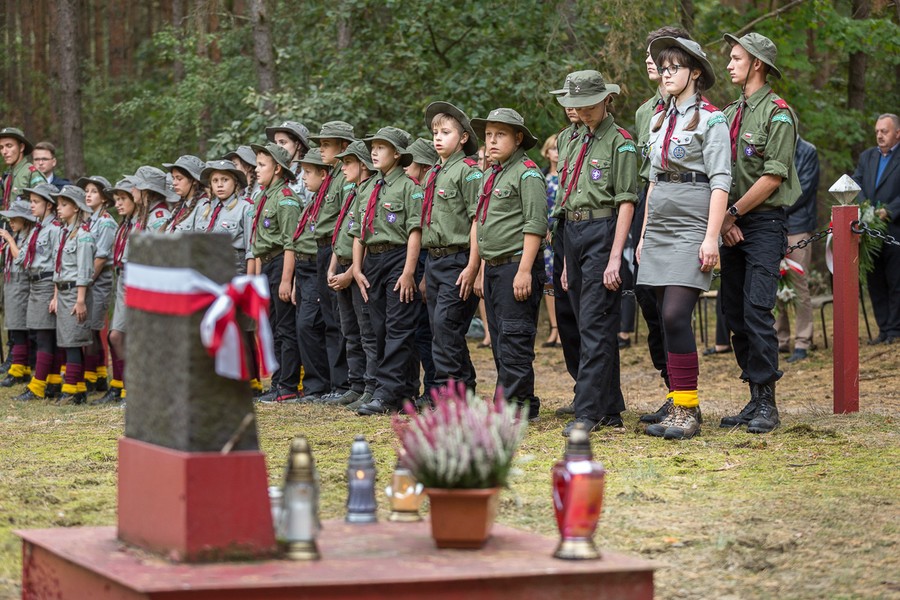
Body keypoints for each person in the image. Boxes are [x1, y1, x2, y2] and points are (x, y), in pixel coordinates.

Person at [636, 37, 731, 440]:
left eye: (676, 67)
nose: (668, 73)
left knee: (676, 314)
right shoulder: (658, 120)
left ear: (695, 72)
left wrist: (711, 237)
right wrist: (643, 235)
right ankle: (679, 403)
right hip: (659, 222)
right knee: (662, 317)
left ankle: (688, 411)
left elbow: (721, 181)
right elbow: (654, 181)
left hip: (694, 221)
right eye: (665, 66)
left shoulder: (713, 120)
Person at [719, 32, 800, 434]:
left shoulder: (778, 113)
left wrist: (731, 214)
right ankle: (753, 396)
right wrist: (723, 220)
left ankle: (768, 401)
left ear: (757, 65)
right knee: (733, 312)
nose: (730, 64)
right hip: (730, 223)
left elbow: (772, 178)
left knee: (756, 308)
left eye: (737, 58)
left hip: (764, 222)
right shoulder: (731, 113)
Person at [554, 72, 637, 436]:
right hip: (570, 231)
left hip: (603, 231)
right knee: (579, 321)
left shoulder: (621, 143)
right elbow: (564, 192)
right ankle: (610, 406)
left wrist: (616, 255)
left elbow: (626, 202)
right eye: (577, 106)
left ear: (606, 101)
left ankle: (587, 411)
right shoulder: (568, 139)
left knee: (595, 321)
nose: (582, 112)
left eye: (589, 105)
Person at [470, 108, 548, 421]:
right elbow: (481, 221)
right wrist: (478, 267)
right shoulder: (492, 174)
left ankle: (513, 404)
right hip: (494, 266)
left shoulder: (527, 173)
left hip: (517, 264)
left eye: (500, 135)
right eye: (488, 135)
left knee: (515, 336)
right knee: (501, 337)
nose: (491, 141)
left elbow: (535, 225)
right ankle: (520, 401)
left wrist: (525, 270)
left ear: (518, 138)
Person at [633, 26, 692, 425]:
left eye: (664, 54)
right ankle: (671, 390)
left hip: (687, 213)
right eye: (650, 54)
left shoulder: (698, 110)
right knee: (650, 306)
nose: (652, 60)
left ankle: (685, 399)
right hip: (649, 205)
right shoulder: (644, 112)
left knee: (674, 311)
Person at [350, 127, 423, 415]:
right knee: (378, 328)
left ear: (397, 154)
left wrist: (408, 272)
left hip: (398, 259)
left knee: (398, 327)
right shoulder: (367, 188)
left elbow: (415, 231)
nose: (375, 152)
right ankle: (403, 392)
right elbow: (358, 233)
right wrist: (356, 268)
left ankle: (388, 393)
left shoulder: (409, 187)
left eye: (382, 147)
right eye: (373, 147)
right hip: (372, 263)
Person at [420, 102, 483, 399]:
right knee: (441, 329)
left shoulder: (468, 172)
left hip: (458, 259)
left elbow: (477, 220)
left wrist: (473, 266)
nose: (438, 137)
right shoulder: (434, 172)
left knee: (447, 327)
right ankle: (461, 391)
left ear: (463, 138)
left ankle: (453, 396)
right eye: (435, 132)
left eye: (446, 132)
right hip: (434, 261)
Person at [250, 142, 303, 403]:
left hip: (282, 264)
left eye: (262, 165)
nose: (256, 170)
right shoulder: (263, 197)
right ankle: (277, 381)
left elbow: (290, 243)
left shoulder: (286, 200)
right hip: (265, 265)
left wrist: (285, 280)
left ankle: (288, 384)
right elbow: (259, 243)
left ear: (278, 169)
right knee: (270, 327)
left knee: (284, 326)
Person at [307, 121, 356, 399]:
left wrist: (335, 261)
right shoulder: (332, 177)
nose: (321, 148)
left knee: (340, 320)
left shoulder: (344, 180)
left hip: (336, 249)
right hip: (324, 247)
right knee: (330, 318)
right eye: (321, 143)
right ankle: (338, 384)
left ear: (344, 147)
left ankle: (346, 383)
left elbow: (344, 221)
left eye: (327, 144)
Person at [328, 140, 378, 410]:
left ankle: (371, 385)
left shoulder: (372, 190)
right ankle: (356, 384)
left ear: (362, 164)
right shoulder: (353, 191)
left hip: (360, 270)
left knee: (366, 330)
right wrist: (333, 266)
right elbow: (343, 232)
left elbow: (369, 237)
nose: (343, 167)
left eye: (348, 162)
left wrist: (350, 272)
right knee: (350, 330)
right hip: (344, 266)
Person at [289, 148, 333, 402]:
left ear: (323, 173)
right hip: (303, 268)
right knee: (303, 326)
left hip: (317, 266)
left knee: (310, 325)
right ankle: (315, 385)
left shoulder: (327, 201)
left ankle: (320, 385)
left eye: (308, 172)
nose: (303, 178)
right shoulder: (312, 200)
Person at [852, 113, 900, 344]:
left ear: (897, 133)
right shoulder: (867, 157)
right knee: (875, 281)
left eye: (885, 131)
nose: (879, 135)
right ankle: (883, 330)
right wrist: (865, 207)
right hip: (870, 230)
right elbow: (856, 182)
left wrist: (889, 210)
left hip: (894, 229)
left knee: (895, 281)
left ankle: (895, 330)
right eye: (877, 131)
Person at [95, 178, 143, 405]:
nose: (119, 204)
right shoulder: (125, 223)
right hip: (123, 278)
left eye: (123, 198)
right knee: (115, 335)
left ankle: (134, 389)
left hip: (139, 279)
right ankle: (127, 386)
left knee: (129, 337)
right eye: (116, 200)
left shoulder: (145, 220)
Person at [13, 183, 62, 401]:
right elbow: (22, 258)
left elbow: (59, 264)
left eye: (36, 202)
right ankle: (51, 382)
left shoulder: (55, 230)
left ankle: (38, 386)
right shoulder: (36, 229)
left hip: (47, 284)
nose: (31, 206)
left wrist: (55, 295)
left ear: (49, 206)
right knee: (42, 334)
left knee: (44, 336)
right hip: (34, 284)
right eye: (30, 201)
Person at [50, 185, 95, 405]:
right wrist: (56, 295)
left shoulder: (84, 236)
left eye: (64, 204)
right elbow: (59, 268)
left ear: (76, 208)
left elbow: (85, 270)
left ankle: (70, 391)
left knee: (74, 342)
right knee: (68, 341)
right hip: (64, 291)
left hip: (76, 294)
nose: (59, 208)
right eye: (58, 204)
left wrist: (80, 300)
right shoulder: (64, 233)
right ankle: (78, 389)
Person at [776, 136, 819, 361]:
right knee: (774, 283)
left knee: (798, 284)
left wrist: (774, 208)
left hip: (798, 226)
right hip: (774, 225)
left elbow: (802, 191)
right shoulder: (774, 145)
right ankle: (780, 339)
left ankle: (803, 341)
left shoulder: (807, 151)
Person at [404, 136, 440, 403]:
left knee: (429, 331)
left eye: (411, 163)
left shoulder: (427, 191)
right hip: (416, 263)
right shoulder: (417, 190)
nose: (405, 167)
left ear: (426, 167)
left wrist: (425, 275)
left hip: (429, 262)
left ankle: (434, 389)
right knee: (417, 329)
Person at [77, 175, 117, 392]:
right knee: (88, 330)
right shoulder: (89, 220)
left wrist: (83, 282)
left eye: (93, 191)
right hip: (89, 280)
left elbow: (100, 259)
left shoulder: (106, 222)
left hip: (98, 281)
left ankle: (95, 377)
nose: (88, 194)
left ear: (104, 198)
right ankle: (96, 375)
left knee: (93, 329)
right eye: (87, 191)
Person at [0, 200, 37, 387]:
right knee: (15, 329)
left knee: (20, 329)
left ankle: (18, 369)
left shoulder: (28, 236)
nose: (11, 222)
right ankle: (20, 368)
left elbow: (21, 259)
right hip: (12, 283)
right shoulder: (19, 234)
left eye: (15, 218)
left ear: (25, 219)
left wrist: (9, 239)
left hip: (21, 285)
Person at [539, 133, 560, 348]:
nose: (557, 153)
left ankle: (564, 328)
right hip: (545, 237)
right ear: (546, 152)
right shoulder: (541, 177)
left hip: (562, 233)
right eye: (553, 148)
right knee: (548, 282)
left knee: (563, 279)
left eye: (559, 148)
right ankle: (553, 327)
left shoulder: (567, 176)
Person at [266, 121, 313, 204]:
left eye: (282, 142)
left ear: (298, 145)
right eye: (275, 143)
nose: (277, 147)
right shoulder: (275, 173)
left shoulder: (307, 174)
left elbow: (313, 210)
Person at [0, 127, 46, 210]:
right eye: (1, 147)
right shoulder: (7, 177)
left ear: (21, 147)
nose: (4, 152)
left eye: (9, 146)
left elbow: (44, 207)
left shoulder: (32, 174)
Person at [163, 155, 207, 233]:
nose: (174, 183)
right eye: (173, 178)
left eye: (179, 178)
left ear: (194, 180)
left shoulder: (204, 207)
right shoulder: (180, 207)